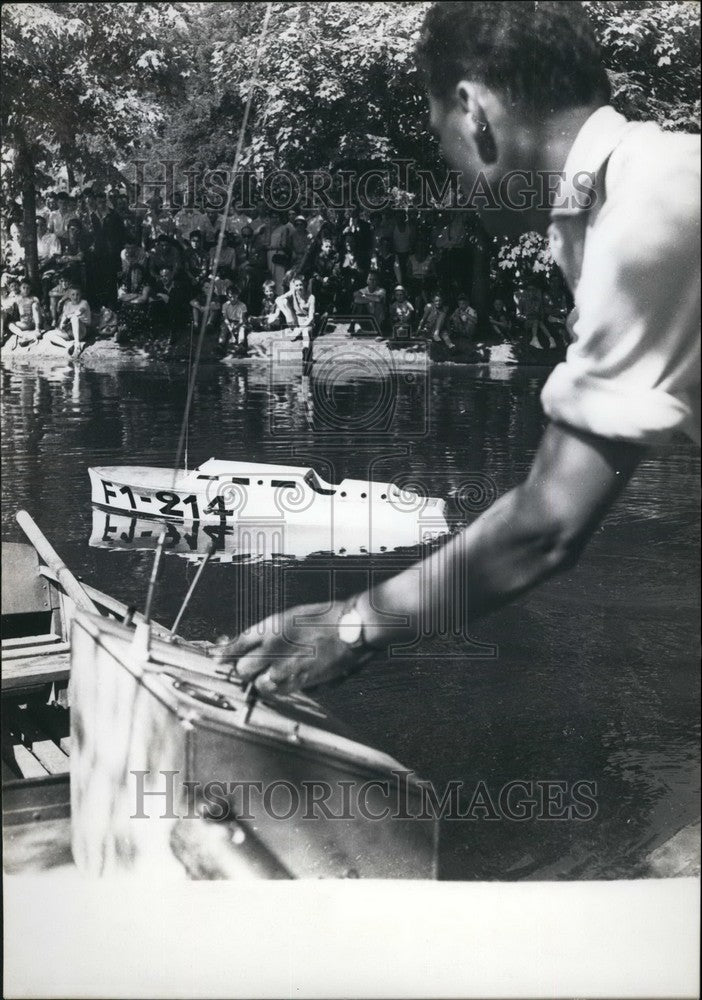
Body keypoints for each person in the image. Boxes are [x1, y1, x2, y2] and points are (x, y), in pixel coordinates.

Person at [215, 2, 699, 697]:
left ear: (473, 112)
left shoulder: (646, 216)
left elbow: (547, 526)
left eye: (436, 132)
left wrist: (353, 625)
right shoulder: (637, 190)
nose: (446, 166)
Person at [42, 284, 91, 355]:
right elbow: (64, 319)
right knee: (48, 334)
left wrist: (67, 318)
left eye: (77, 294)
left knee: (74, 318)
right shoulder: (68, 304)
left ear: (80, 295)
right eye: (73, 294)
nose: (75, 297)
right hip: (71, 331)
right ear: (69, 296)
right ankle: (68, 345)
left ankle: (77, 344)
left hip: (83, 330)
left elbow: (78, 313)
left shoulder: (84, 303)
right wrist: (62, 325)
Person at [6, 278, 42, 347]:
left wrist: (38, 325)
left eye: (28, 288)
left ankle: (37, 330)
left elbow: (38, 312)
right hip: (24, 324)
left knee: (35, 305)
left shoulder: (33, 298)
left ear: (30, 288)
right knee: (10, 324)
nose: (26, 290)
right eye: (24, 288)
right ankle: (23, 335)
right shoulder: (17, 298)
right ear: (20, 288)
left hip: (33, 322)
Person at [219, 284, 248, 352]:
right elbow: (225, 318)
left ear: (238, 295)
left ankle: (241, 344)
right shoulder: (225, 305)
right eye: (230, 297)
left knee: (242, 329)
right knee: (223, 328)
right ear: (227, 297)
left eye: (235, 296)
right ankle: (220, 344)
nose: (232, 299)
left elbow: (242, 319)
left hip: (239, 322)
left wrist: (236, 327)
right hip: (229, 321)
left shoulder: (242, 305)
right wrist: (230, 327)